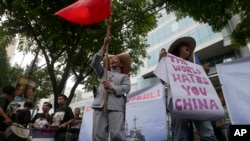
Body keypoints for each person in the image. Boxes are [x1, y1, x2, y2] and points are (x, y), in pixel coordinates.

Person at [164, 37, 218, 141]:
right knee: (182, 137)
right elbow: (163, 81)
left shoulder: (194, 66)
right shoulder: (169, 63)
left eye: (189, 47)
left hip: (197, 101)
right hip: (178, 100)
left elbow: (200, 85)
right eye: (184, 45)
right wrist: (161, 60)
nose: (188, 47)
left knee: (208, 133)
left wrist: (204, 74)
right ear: (178, 49)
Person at [91, 35, 131, 141]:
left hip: (116, 107)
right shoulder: (103, 73)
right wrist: (104, 46)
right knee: (97, 135)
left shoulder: (125, 76)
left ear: (121, 64)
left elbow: (126, 88)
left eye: (115, 59)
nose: (112, 60)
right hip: (100, 105)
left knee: (117, 135)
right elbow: (95, 63)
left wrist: (112, 87)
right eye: (111, 59)